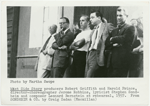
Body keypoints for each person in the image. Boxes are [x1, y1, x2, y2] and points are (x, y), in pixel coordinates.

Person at [105, 7, 135, 77]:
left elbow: (125, 39)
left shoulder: (130, 28)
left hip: (122, 62)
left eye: (120, 15)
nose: (118, 17)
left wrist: (112, 39)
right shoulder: (114, 30)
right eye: (117, 15)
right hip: (111, 62)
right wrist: (113, 44)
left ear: (126, 16)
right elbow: (106, 43)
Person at [85, 10, 114, 77]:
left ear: (99, 18)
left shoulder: (107, 26)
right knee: (88, 75)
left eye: (92, 17)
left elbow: (116, 35)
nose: (90, 20)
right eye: (90, 18)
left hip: (98, 53)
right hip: (90, 54)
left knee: (89, 76)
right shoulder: (93, 31)